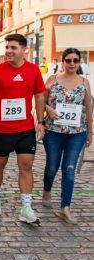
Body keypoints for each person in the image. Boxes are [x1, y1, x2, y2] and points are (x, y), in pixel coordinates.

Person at [0, 33, 46, 224]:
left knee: (26, 165)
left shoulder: (33, 70)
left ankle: (26, 208)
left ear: (24, 50)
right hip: (1, 128)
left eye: (13, 47)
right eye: (7, 47)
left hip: (25, 128)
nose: (8, 51)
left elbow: (40, 96)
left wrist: (40, 121)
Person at [42, 48, 92, 224]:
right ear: (62, 62)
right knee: (52, 167)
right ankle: (46, 190)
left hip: (76, 133)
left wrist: (90, 131)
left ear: (79, 63)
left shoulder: (84, 82)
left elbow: (88, 108)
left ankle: (65, 208)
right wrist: (48, 110)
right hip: (53, 132)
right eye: (68, 60)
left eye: (75, 60)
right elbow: (41, 101)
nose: (72, 64)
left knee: (69, 169)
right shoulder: (52, 80)